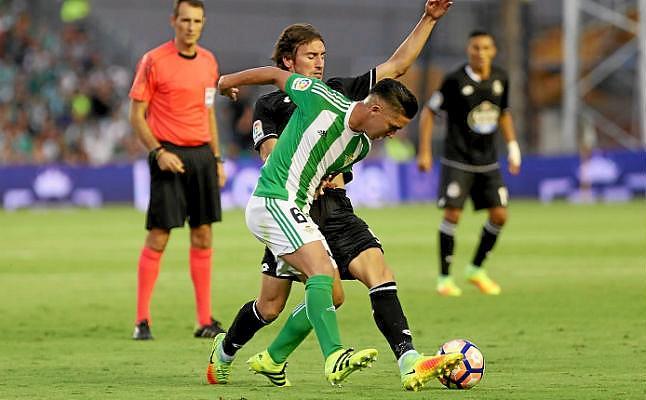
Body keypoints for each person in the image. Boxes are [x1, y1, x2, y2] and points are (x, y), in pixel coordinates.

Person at [208, 1, 462, 391]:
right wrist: (225, 82)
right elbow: (272, 149)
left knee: (354, 283)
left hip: (328, 211)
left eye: (323, 55)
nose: (320, 62)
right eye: (311, 55)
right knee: (272, 305)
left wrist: (429, 18)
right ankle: (235, 352)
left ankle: (404, 361)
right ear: (290, 60)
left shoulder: (348, 113)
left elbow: (395, 68)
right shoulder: (286, 100)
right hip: (284, 203)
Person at [128, 0, 227, 340]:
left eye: (197, 20)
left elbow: (209, 112)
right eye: (185, 19)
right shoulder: (154, 61)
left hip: (201, 156)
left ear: (203, 23)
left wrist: (216, 158)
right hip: (168, 155)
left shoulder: (209, 61)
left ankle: (204, 320)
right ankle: (142, 320)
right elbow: (136, 116)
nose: (190, 26)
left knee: (203, 235)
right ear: (173, 21)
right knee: (159, 235)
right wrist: (158, 152)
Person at [417, 30, 522, 297]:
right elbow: (429, 112)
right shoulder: (454, 80)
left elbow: (504, 114)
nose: (481, 52)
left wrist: (513, 147)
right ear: (468, 50)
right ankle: (444, 279)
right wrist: (425, 152)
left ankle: (476, 269)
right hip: (458, 159)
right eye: (476, 47)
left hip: (488, 162)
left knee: (500, 215)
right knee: (452, 215)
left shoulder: (501, 78)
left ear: (494, 50)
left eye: (486, 47)